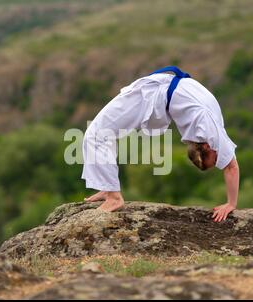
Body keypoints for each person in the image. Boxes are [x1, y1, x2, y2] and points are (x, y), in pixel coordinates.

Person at [81, 66, 239, 222]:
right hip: (152, 94)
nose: (220, 158)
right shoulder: (210, 128)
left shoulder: (209, 128)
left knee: (98, 134)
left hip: (159, 92)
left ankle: (110, 191)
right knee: (97, 135)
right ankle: (112, 195)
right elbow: (231, 167)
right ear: (206, 147)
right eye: (216, 158)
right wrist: (231, 203)